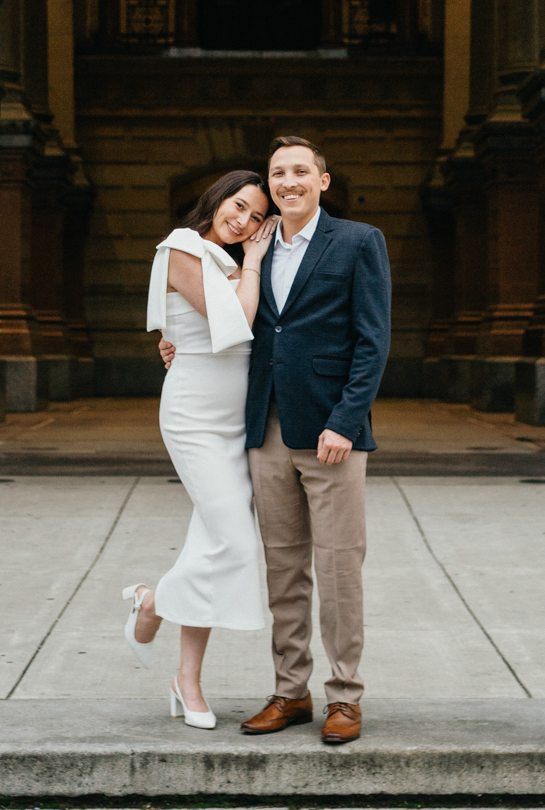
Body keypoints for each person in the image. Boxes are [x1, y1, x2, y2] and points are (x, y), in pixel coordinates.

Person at [160, 135, 391, 746]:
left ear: (322, 181)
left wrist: (345, 421)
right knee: (283, 571)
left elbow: (373, 341)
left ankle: (344, 697)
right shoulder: (247, 253)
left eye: (299, 172)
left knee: (339, 568)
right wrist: (171, 341)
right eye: (277, 174)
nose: (287, 183)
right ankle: (291, 691)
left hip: (330, 434)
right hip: (262, 430)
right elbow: (226, 322)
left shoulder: (359, 241)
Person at [121, 169, 276, 728]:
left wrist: (250, 264)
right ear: (215, 200)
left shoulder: (233, 263)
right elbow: (233, 323)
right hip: (193, 415)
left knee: (210, 544)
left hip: (237, 418)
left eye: (257, 216)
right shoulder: (184, 245)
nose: (244, 221)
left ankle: (186, 679)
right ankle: (152, 601)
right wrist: (256, 261)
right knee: (233, 542)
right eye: (238, 206)